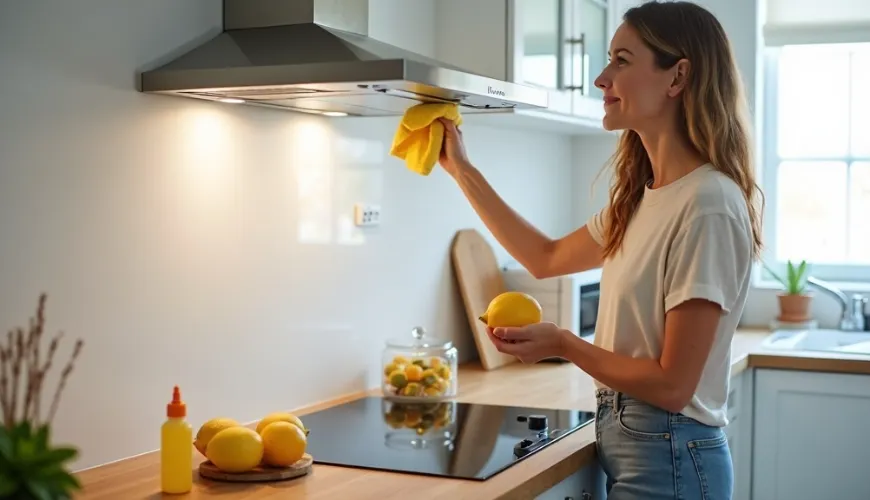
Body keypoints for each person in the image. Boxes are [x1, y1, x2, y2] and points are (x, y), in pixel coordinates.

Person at [437, 1, 763, 498]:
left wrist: (565, 344)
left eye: (622, 61)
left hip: (670, 453)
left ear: (677, 77)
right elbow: (544, 258)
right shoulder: (642, 198)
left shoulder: (708, 203)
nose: (601, 78)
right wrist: (463, 170)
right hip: (637, 440)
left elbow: (673, 385)